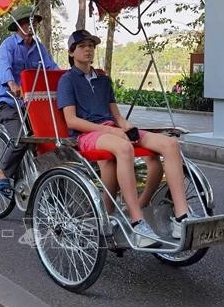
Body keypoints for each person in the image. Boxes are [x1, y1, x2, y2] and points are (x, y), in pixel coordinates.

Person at [57, 29, 197, 247]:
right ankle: (136, 221)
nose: (88, 50)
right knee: (124, 148)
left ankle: (181, 216)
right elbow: (71, 121)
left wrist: (128, 128)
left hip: (114, 129)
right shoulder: (67, 80)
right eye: (83, 46)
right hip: (87, 135)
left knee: (170, 144)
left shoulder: (103, 80)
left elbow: (117, 117)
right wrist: (111, 131)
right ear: (72, 52)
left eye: (91, 46)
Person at [0, 5, 59, 196]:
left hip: (33, 105)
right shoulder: (8, 45)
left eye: (34, 22)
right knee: (21, 137)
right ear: (18, 25)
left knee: (48, 137)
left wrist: (66, 78)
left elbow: (51, 67)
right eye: (26, 22)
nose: (31, 26)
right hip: (10, 103)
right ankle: (2, 171)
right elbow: (4, 69)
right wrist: (12, 84)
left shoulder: (39, 48)